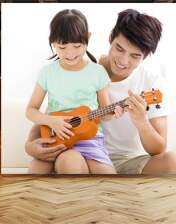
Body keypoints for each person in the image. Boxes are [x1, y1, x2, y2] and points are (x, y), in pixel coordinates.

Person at [26, 9, 176, 175]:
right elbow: (55, 112)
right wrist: (30, 145)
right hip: (74, 152)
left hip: (126, 160)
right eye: (119, 48)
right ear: (111, 37)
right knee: (69, 160)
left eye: (135, 56)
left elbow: (158, 149)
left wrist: (141, 121)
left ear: (145, 56)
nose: (123, 61)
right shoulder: (80, 66)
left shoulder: (152, 83)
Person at [25, 9, 123, 174]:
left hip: (90, 140)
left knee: (109, 180)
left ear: (88, 37)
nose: (70, 54)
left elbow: (105, 113)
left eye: (77, 46)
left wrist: (113, 113)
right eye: (62, 47)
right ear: (53, 42)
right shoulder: (47, 72)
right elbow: (30, 110)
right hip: (54, 137)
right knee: (35, 172)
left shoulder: (98, 72)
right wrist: (51, 121)